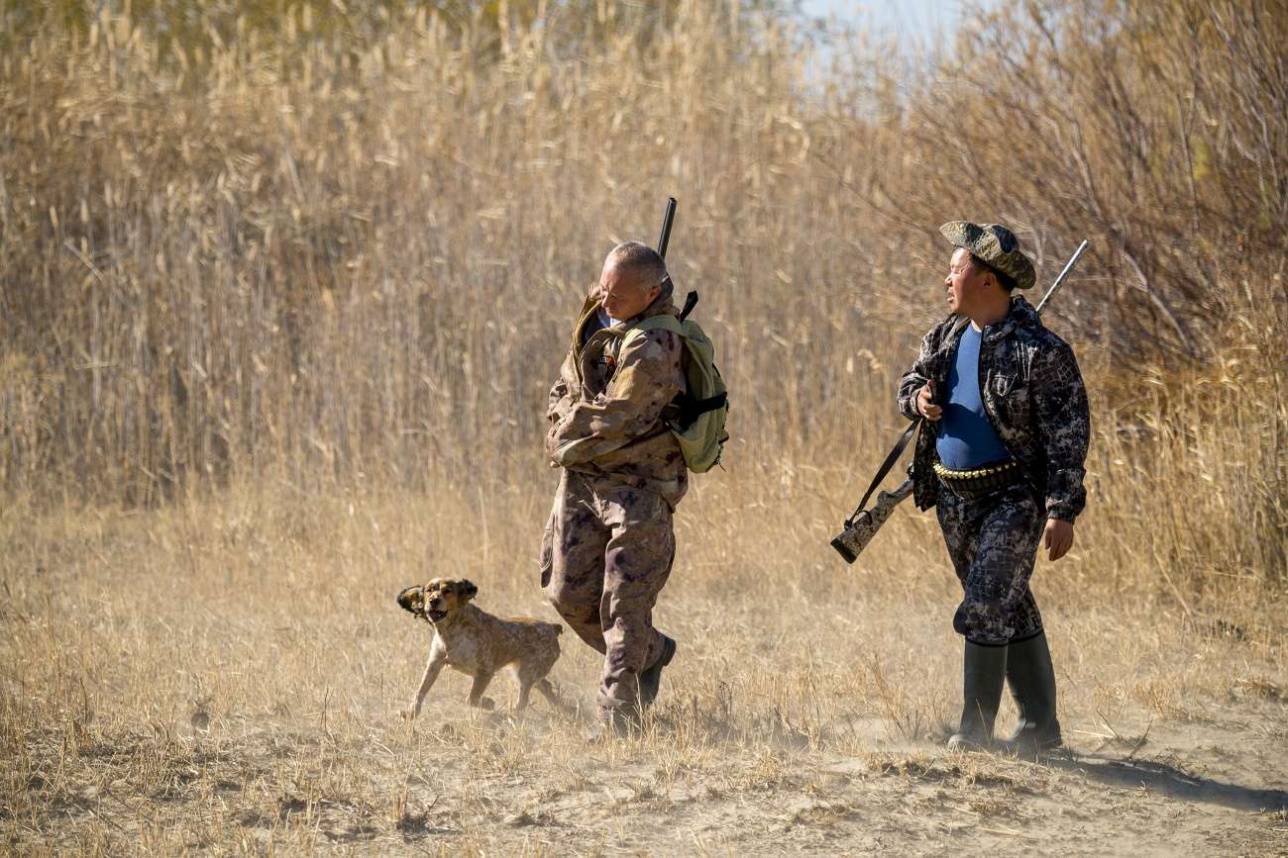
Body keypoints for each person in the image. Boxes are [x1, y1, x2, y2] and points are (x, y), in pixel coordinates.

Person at [897, 221, 1090, 753]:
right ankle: (1040, 727)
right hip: (953, 496)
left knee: (985, 603)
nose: (946, 279)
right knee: (1009, 601)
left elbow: (1067, 435)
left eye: (955, 269)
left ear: (985, 279)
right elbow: (908, 384)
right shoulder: (944, 336)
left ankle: (975, 730)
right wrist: (919, 401)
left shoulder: (1041, 351)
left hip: (1015, 498)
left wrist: (1061, 508)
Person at [541, 240, 686, 734]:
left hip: (639, 487)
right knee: (565, 594)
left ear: (651, 293)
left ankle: (617, 720)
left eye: (618, 295)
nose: (606, 301)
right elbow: (567, 380)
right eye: (603, 288)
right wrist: (562, 420)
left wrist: (567, 430)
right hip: (583, 478)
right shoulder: (598, 314)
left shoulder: (657, 347)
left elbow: (621, 418)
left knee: (624, 604)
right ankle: (653, 652)